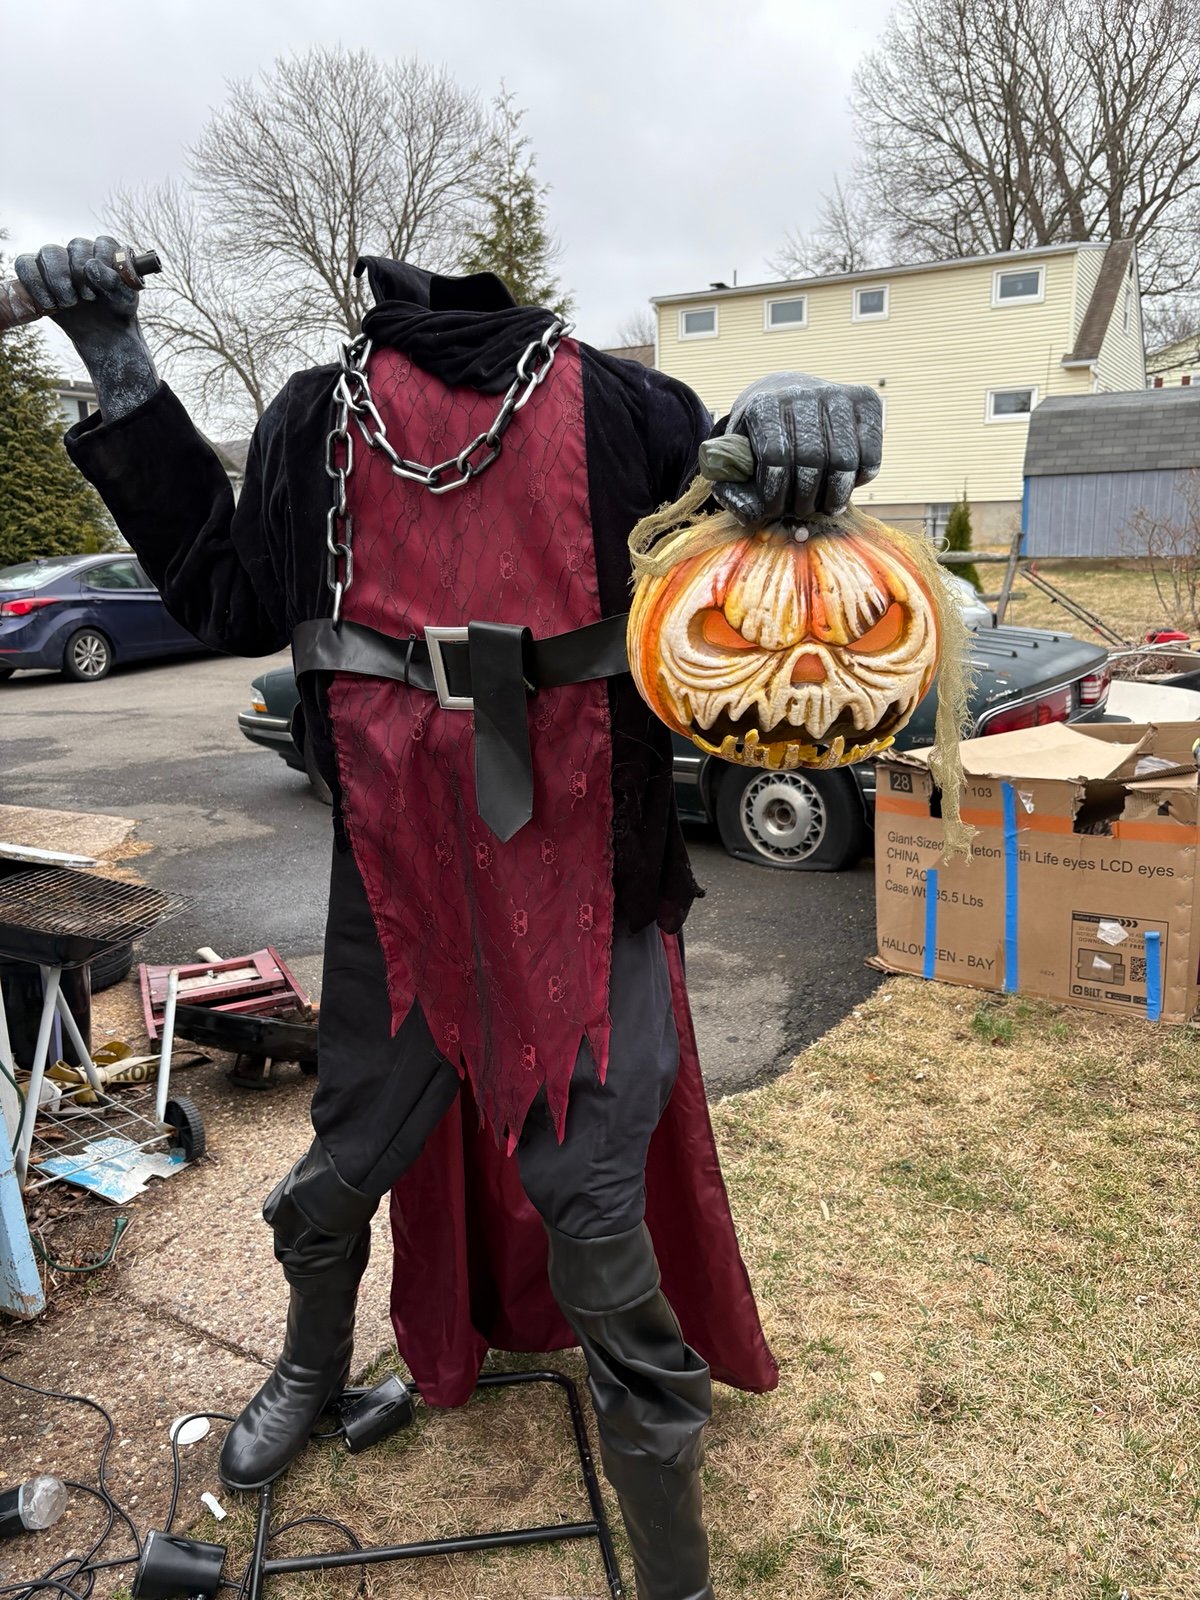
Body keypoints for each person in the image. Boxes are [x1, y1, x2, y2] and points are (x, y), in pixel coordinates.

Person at [19, 235, 882, 1600]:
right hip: (400, 871)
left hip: (590, 867)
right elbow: (228, 594)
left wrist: (789, 423)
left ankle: (675, 1565)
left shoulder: (623, 404)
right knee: (343, 1156)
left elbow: (743, 538)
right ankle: (309, 1364)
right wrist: (119, 362)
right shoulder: (319, 415)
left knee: (595, 1206)